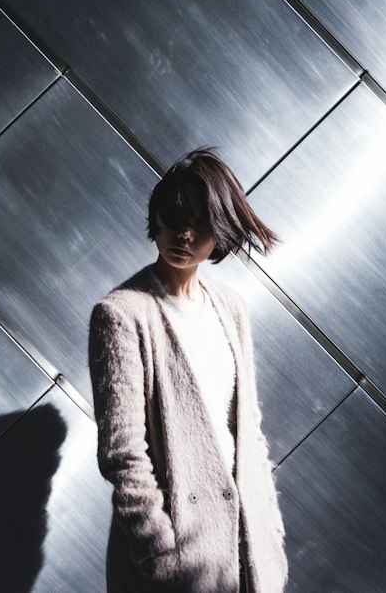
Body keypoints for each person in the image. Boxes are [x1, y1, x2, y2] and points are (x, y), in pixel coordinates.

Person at [89, 149, 289, 593]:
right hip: (177, 563)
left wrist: (270, 530)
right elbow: (123, 454)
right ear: (155, 218)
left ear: (220, 233)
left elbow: (247, 430)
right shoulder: (122, 314)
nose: (184, 234)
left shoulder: (230, 308)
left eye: (201, 223)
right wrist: (161, 554)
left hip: (247, 552)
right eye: (175, 217)